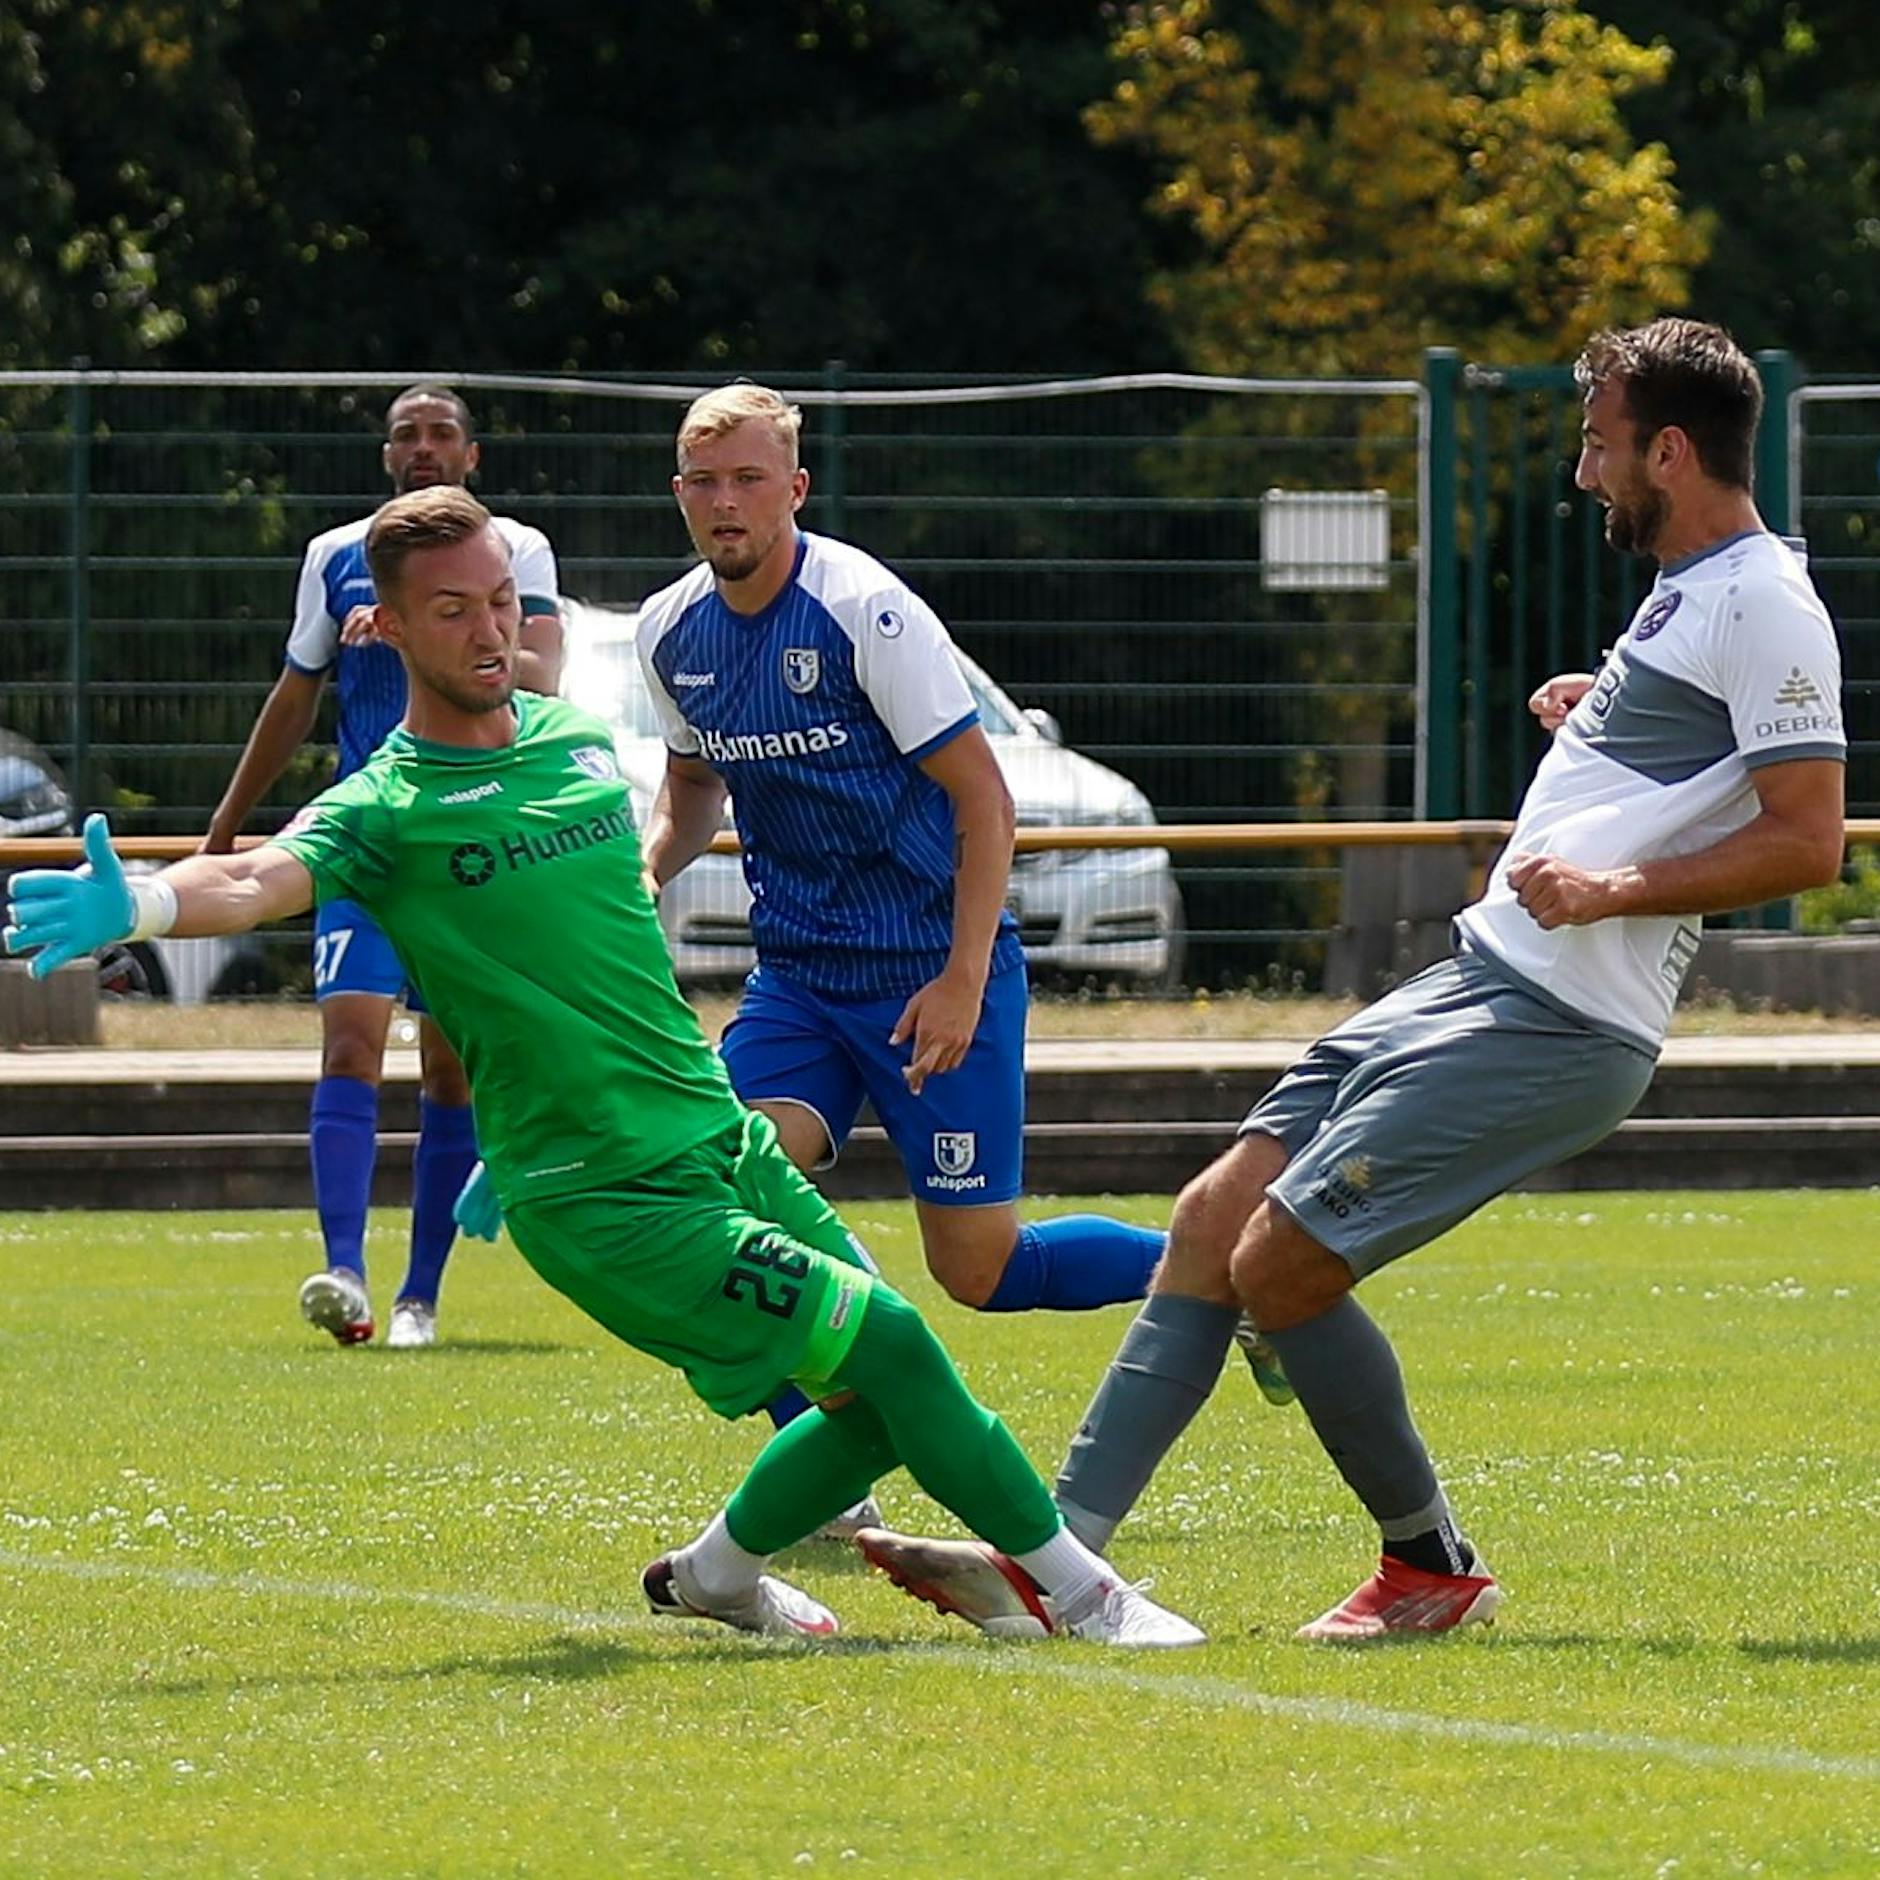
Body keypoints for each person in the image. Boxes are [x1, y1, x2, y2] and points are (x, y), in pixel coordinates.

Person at [3, 485, 1203, 1649]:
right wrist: (152, 898)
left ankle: (714, 1575)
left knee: (885, 1397)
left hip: (715, 1142)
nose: (490, 630)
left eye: (502, 601)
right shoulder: (385, 804)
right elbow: (258, 875)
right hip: (603, 1192)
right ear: (387, 626)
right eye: (454, 609)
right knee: (887, 1337)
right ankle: (1085, 1596)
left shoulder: (575, 738)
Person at [849, 317, 1847, 1642]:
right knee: (1213, 1218)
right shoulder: (1690, 591)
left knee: (1286, 1266)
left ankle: (1429, 1568)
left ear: (1670, 450)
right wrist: (1592, 707)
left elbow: (1807, 838)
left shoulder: (1767, 598)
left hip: (1561, 1019)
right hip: (1482, 974)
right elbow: (1690, 764)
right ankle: (1057, 1564)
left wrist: (1609, 891)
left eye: (1600, 446)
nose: (1581, 475)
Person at [636, 382, 1244, 1358]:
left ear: (793, 487)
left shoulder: (862, 609)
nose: (724, 501)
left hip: (929, 972)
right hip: (797, 980)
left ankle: (1229, 1274)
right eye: (703, 481)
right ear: (677, 492)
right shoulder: (667, 630)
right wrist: (645, 870)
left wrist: (961, 979)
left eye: (747, 478)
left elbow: (983, 800)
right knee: (720, 1191)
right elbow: (689, 784)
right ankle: (840, 1465)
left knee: (980, 1269)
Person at [201, 384, 564, 1350]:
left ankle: (421, 1296)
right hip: (366, 842)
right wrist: (226, 827)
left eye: (443, 433)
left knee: (448, 1068)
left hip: (467, 842)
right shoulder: (337, 558)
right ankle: (347, 1274)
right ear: (387, 456)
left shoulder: (515, 551)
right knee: (350, 1044)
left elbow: (542, 676)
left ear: (472, 457)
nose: (425, 447)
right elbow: (293, 696)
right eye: (407, 434)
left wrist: (432, 628)